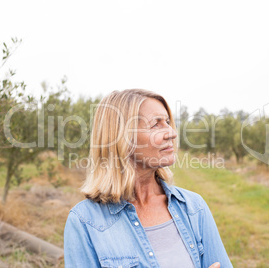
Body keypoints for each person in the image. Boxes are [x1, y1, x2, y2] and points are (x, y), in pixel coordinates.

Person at [64, 89, 233, 268]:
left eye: (167, 122)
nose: (172, 133)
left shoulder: (194, 208)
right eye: (156, 124)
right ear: (121, 137)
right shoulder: (84, 222)